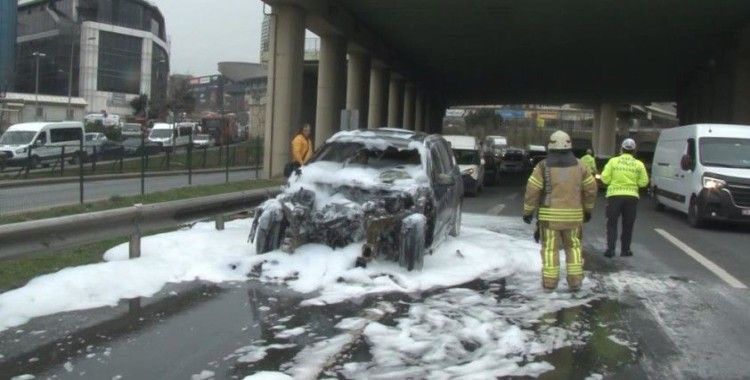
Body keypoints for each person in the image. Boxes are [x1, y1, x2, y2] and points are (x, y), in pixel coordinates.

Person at [523, 130, 598, 291]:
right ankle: (575, 281)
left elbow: (532, 190)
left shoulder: (542, 167)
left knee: (550, 249)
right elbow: (591, 188)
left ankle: (550, 283)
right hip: (574, 218)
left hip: (549, 219)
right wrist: (588, 209)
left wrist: (528, 212)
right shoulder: (581, 166)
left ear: (550, 146)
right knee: (574, 247)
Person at [600, 138, 649, 258]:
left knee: (612, 223)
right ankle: (625, 250)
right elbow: (644, 182)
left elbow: (604, 178)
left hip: (614, 196)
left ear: (621, 149)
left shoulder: (613, 162)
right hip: (631, 197)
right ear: (634, 150)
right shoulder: (639, 164)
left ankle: (610, 250)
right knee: (628, 224)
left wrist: (614, 181)